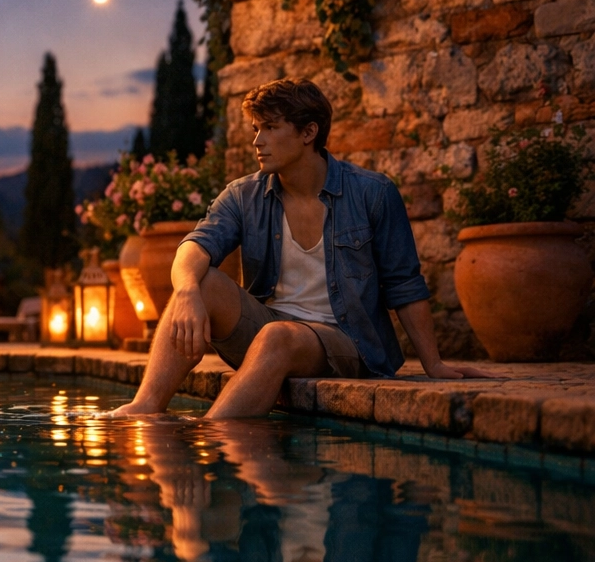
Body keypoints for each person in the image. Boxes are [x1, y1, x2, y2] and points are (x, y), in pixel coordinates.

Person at [108, 78, 488, 419]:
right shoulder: (245, 195)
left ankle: (215, 439)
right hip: (267, 329)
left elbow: (404, 285)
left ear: (309, 132)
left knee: (278, 337)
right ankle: (145, 406)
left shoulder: (373, 193)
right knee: (200, 281)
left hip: (346, 341)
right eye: (256, 129)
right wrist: (188, 290)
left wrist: (434, 364)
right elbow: (195, 246)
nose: (258, 140)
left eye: (271, 128)